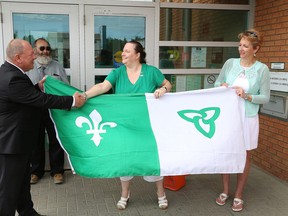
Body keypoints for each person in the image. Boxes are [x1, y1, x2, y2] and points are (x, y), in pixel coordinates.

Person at [0, 39, 85, 216]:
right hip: (11, 146)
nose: (34, 56)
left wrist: (36, 87)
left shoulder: (11, 72)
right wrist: (72, 101)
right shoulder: (12, 77)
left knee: (21, 184)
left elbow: (26, 96)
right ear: (17, 57)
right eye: (31, 54)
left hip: (18, 143)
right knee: (7, 191)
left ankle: (27, 212)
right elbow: (41, 101)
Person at [83, 41, 172, 210]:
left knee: (152, 159)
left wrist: (163, 90)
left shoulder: (151, 71)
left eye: (126, 51)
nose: (122, 54)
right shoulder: (117, 73)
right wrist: (84, 95)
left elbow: (167, 84)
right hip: (124, 126)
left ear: (137, 55)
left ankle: (161, 194)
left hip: (147, 126)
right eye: (123, 51)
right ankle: (125, 194)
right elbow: (103, 86)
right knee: (124, 160)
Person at [214, 29, 270, 212]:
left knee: (244, 156)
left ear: (256, 49)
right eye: (240, 45)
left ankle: (238, 195)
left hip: (248, 118)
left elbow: (265, 97)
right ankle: (225, 191)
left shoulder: (262, 69)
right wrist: (221, 85)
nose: (241, 49)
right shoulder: (230, 63)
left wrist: (247, 96)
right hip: (228, 117)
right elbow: (217, 82)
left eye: (245, 46)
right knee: (227, 153)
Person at [27, 38, 69, 184]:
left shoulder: (57, 66)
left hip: (54, 110)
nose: (45, 51)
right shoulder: (29, 67)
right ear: (35, 50)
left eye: (47, 48)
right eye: (42, 48)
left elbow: (65, 86)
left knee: (55, 139)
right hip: (35, 110)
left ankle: (57, 171)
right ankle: (35, 172)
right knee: (35, 141)